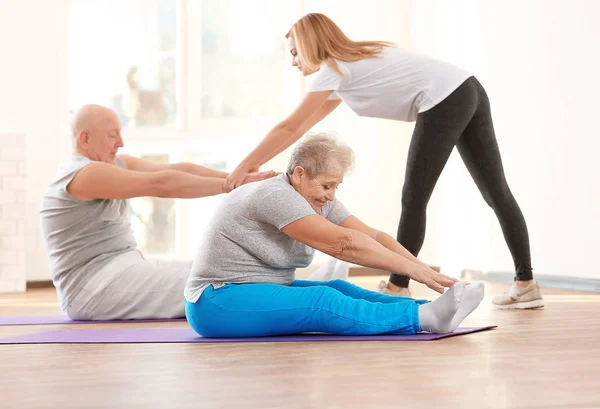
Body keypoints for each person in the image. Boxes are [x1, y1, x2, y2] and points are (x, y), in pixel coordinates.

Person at [223, 13, 543, 309]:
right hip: (468, 88)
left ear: (310, 45)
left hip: (446, 97)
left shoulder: (334, 68)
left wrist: (244, 167)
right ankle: (526, 283)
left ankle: (397, 287)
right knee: (496, 192)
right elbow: (301, 127)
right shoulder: (349, 67)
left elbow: (291, 126)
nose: (293, 61)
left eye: (294, 52)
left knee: (414, 197)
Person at [184, 133, 485, 338]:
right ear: (299, 174)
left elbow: (373, 236)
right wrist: (412, 270)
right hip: (215, 301)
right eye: (327, 186)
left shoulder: (314, 197)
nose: (331, 196)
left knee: (341, 288)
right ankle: (422, 320)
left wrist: (419, 267)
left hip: (251, 291)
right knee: (321, 298)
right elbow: (344, 244)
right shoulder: (275, 195)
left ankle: (433, 310)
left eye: (335, 187)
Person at [39, 104, 284, 321]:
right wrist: (234, 186)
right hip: (92, 287)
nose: (121, 142)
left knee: (217, 267)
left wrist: (245, 178)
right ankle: (291, 306)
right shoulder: (84, 175)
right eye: (113, 135)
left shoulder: (113, 163)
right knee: (214, 282)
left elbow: (179, 168)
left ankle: (290, 296)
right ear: (85, 139)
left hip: (124, 267)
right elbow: (163, 184)